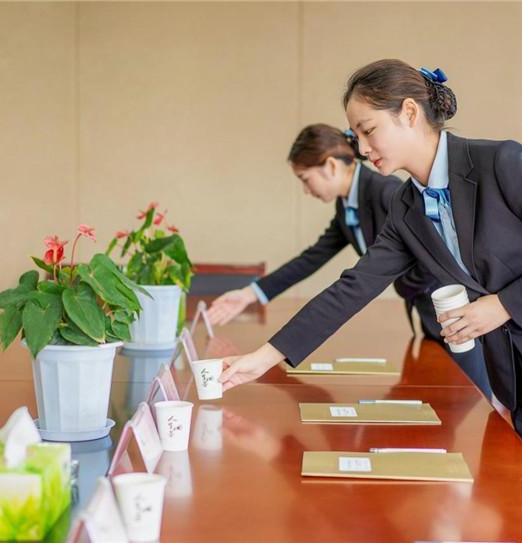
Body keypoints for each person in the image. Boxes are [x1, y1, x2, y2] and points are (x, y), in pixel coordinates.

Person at [218, 59, 522, 543]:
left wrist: (502, 305)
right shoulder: (407, 209)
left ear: (408, 113)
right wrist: (264, 358)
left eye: (368, 131)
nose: (361, 148)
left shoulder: (498, 163)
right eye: (356, 135)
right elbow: (353, 287)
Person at [207, 123, 492, 398]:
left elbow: (433, 254)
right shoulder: (347, 206)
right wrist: (251, 293)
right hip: (428, 313)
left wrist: (411, 286)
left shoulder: (386, 192)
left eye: (305, 179)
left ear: (331, 166)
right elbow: (312, 258)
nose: (306, 190)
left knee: (473, 397)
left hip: (451, 309)